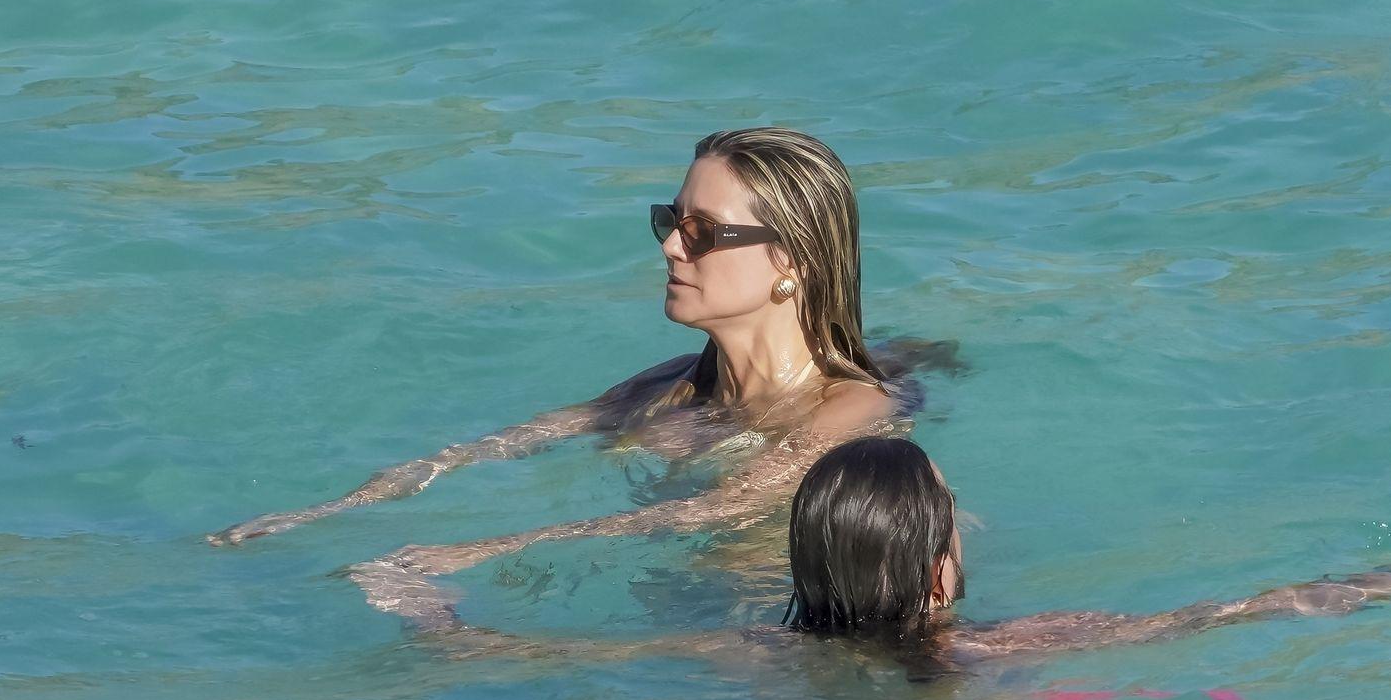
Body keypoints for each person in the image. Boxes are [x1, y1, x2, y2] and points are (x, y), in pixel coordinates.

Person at [207, 127, 954, 554]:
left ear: (789, 261)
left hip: (778, 634)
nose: (672, 247)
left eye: (701, 232)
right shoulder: (669, 389)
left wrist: (468, 553)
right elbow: (495, 446)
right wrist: (320, 514)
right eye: (670, 222)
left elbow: (718, 509)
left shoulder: (849, 412)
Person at [342, 437, 1391, 673]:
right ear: (941, 572)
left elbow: (533, 657)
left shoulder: (740, 650)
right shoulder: (1022, 647)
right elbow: (1264, 605)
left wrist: (424, 606)